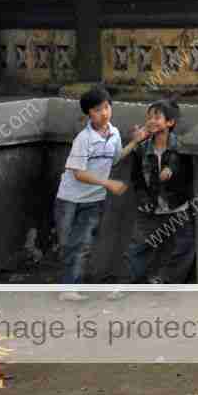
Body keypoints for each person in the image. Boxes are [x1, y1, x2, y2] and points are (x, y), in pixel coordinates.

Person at [56, 85, 149, 302]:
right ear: (88, 113)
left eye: (107, 107)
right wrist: (107, 183)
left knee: (82, 243)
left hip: (95, 199)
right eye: (97, 110)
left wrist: (135, 141)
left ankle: (70, 288)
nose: (104, 113)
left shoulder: (114, 133)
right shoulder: (84, 139)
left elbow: (114, 159)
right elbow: (78, 173)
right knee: (70, 242)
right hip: (70, 198)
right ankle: (69, 284)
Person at [121, 100, 196, 286]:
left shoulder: (181, 147)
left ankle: (165, 280)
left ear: (170, 122)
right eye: (149, 117)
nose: (151, 121)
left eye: (157, 117)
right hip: (150, 209)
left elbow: (188, 174)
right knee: (137, 248)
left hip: (177, 207)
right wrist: (143, 199)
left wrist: (172, 170)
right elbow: (137, 179)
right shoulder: (142, 149)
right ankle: (130, 282)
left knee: (185, 246)